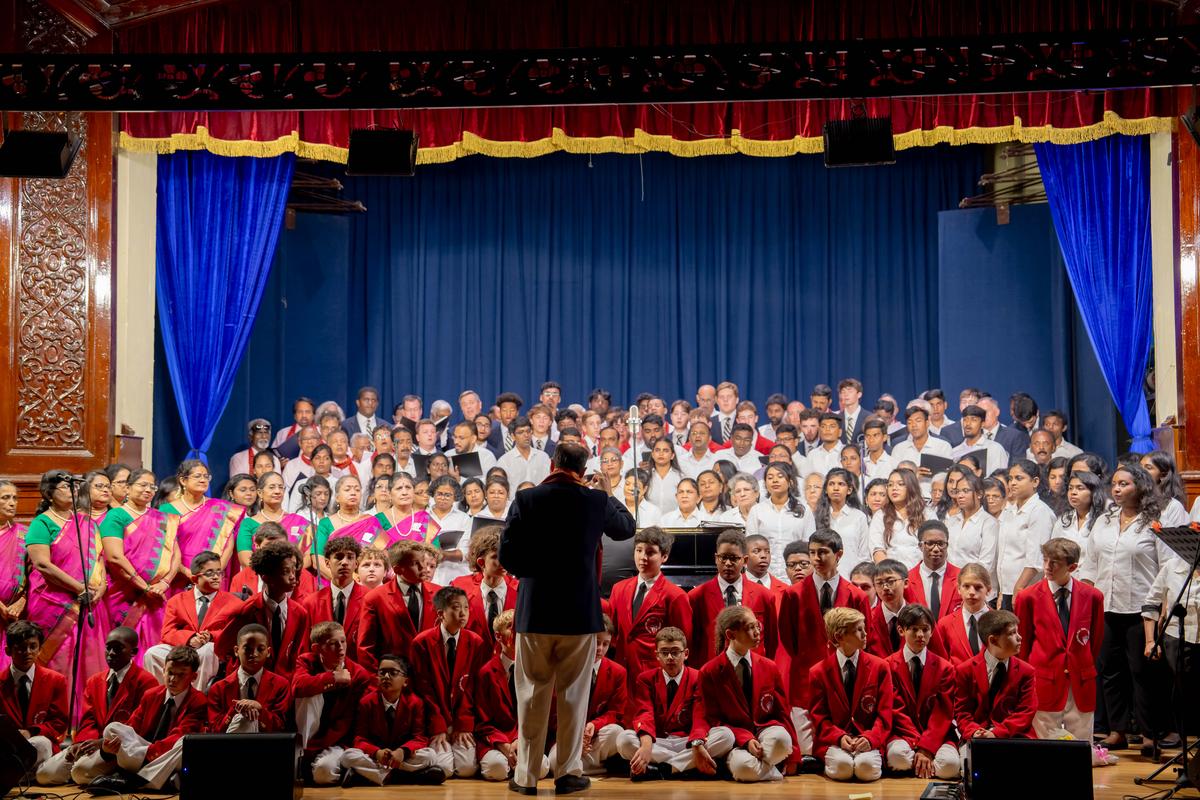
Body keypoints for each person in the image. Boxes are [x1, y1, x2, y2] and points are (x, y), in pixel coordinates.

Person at [498, 442, 635, 794]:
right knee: (574, 696)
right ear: (582, 467)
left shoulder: (527, 499)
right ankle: (568, 772)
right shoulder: (594, 500)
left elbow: (507, 555)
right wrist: (607, 492)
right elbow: (626, 529)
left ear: (555, 462)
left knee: (531, 694)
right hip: (578, 612)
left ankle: (526, 777)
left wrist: (538, 576)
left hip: (536, 611)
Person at [1083, 463, 1174, 753]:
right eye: (1115, 484)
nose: (1117, 489)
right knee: (1109, 670)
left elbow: (1167, 567)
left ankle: (1149, 733)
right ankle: (1117, 730)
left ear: (1141, 487)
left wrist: (1162, 611)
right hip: (1107, 605)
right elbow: (1090, 561)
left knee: (1143, 672)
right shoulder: (1104, 520)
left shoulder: (1154, 522)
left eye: (1125, 484)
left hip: (1140, 608)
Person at [777, 529, 870, 763]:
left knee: (842, 744)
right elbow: (788, 639)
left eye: (823, 552)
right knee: (807, 751)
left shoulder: (856, 595)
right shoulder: (793, 595)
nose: (816, 558)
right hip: (804, 679)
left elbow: (865, 640)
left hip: (843, 677)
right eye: (812, 553)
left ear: (838, 555)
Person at [25, 470, 110, 710]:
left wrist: (101, 587)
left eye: (73, 487)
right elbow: (42, 564)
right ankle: (53, 716)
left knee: (89, 660)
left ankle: (85, 718)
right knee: (59, 660)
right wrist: (78, 587)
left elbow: (99, 558)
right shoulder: (42, 523)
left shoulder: (86, 522)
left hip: (90, 603)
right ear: (49, 493)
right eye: (64, 487)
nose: (71, 490)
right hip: (54, 604)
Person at [1015, 538, 1105, 755]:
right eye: (1045, 560)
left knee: (1082, 745)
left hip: (1081, 678)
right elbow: (1023, 643)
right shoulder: (1027, 597)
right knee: (1044, 745)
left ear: (1072, 567)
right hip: (1043, 677)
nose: (1047, 567)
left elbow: (1095, 641)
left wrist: (1080, 665)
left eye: (1054, 562)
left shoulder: (1093, 596)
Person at [36, 626, 157, 786]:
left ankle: (116, 776)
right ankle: (88, 771)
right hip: (94, 743)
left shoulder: (146, 681)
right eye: (108, 647)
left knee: (80, 773)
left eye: (118, 648)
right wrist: (82, 743)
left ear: (133, 652)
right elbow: (88, 719)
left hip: (119, 749)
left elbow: (140, 726)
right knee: (43, 775)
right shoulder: (94, 681)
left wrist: (102, 743)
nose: (111, 653)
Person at [81, 645, 209, 793]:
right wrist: (112, 746)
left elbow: (178, 735)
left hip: (166, 755)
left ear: (194, 677)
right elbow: (131, 727)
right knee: (113, 728)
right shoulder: (151, 694)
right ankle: (155, 778)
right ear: (163, 670)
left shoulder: (198, 700)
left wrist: (145, 753)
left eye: (181, 675)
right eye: (170, 672)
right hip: (144, 753)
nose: (173, 679)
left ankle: (133, 781)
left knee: (184, 742)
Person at [616, 625, 734, 780]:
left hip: (688, 741)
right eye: (664, 652)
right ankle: (686, 767)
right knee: (624, 740)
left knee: (726, 736)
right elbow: (645, 713)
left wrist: (697, 745)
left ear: (685, 654)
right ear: (657, 655)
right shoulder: (645, 679)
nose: (670, 657)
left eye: (675, 652)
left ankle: (664, 769)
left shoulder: (699, 677)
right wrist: (646, 746)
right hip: (658, 740)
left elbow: (701, 715)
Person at [697, 606, 796, 782]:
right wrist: (745, 739)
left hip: (765, 732)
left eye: (757, 626)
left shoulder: (769, 667)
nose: (757, 632)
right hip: (736, 739)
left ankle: (755, 768)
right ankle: (771, 771)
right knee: (744, 769)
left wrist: (793, 754)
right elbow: (713, 719)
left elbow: (782, 713)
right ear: (730, 635)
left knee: (782, 739)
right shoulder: (710, 671)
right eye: (750, 628)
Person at [409, 586, 487, 778]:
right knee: (444, 769)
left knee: (467, 769)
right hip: (435, 717)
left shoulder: (475, 642)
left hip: (462, 716)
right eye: (456, 607)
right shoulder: (422, 642)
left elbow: (473, 688)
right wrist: (439, 726)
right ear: (441, 613)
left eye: (466, 607)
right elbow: (423, 689)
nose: (463, 613)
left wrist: (463, 724)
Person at [99, 468, 178, 653]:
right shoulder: (116, 516)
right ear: (127, 488)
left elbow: (175, 554)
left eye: (152, 486)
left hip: (157, 595)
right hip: (123, 592)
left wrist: (165, 583)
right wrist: (144, 586)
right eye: (143, 485)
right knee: (122, 648)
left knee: (156, 648)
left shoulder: (162, 518)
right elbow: (114, 557)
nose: (148, 490)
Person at [808, 606, 891, 782]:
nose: (865, 634)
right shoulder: (818, 672)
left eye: (864, 628)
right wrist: (838, 737)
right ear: (839, 637)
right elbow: (819, 717)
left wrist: (871, 738)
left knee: (866, 769)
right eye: (858, 630)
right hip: (835, 740)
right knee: (841, 769)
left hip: (868, 737)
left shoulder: (880, 667)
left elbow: (885, 714)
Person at [207, 541, 311, 680]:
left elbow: (295, 653)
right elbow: (222, 647)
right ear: (265, 576)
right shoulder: (246, 610)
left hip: (283, 684)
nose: (293, 576)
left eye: (293, 570)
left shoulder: (300, 613)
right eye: (285, 571)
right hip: (249, 682)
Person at [610, 527, 693, 697]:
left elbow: (683, 639)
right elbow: (613, 633)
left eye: (650, 552)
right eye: (639, 550)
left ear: (664, 556)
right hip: (622, 671)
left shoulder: (675, 596)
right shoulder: (619, 589)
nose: (643, 557)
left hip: (654, 675)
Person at [338, 654, 445, 786]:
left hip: (401, 756)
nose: (386, 677)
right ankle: (408, 777)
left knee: (430, 755)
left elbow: (420, 738)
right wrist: (376, 752)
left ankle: (371, 776)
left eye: (393, 673)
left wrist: (402, 751)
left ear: (405, 681)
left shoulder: (415, 703)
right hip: (377, 756)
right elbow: (359, 738)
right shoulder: (366, 702)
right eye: (382, 673)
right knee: (347, 756)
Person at [885, 604, 960, 780]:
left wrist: (927, 746)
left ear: (932, 631)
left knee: (950, 766)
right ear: (901, 630)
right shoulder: (887, 665)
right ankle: (924, 763)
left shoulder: (945, 667)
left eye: (925, 629)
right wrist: (918, 744)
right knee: (898, 757)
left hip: (937, 734)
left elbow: (943, 712)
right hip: (903, 733)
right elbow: (895, 710)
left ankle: (921, 762)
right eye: (914, 629)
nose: (920, 635)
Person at [294, 621, 373, 785]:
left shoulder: (359, 674)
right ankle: (305, 754)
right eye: (332, 644)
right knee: (309, 693)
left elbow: (360, 718)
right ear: (317, 649)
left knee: (324, 772)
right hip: (305, 737)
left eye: (343, 641)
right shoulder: (306, 661)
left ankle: (346, 769)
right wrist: (333, 678)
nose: (341, 648)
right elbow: (298, 687)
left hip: (338, 739)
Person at [952, 609, 1037, 759]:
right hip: (977, 735)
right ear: (993, 640)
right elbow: (962, 712)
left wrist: (996, 733)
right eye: (1012, 633)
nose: (1020, 637)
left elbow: (1026, 712)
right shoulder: (964, 670)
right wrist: (975, 731)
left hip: (1015, 735)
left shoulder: (1026, 671)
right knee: (969, 766)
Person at [688, 530, 778, 666]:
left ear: (745, 560)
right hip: (713, 670)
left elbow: (772, 642)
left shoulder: (764, 595)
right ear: (716, 558)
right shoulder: (697, 597)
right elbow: (692, 641)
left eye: (734, 558)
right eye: (723, 558)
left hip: (752, 668)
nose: (728, 563)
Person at [144, 551, 233, 688]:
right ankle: (163, 697)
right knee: (152, 653)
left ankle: (197, 700)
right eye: (210, 573)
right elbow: (167, 633)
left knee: (208, 650)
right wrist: (190, 639)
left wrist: (209, 636)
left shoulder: (232, 602)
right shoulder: (176, 601)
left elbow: (234, 632)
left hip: (212, 651)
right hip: (182, 648)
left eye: (219, 572)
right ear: (195, 578)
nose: (216, 577)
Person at [475, 609, 538, 783]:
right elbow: (482, 721)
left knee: (543, 767)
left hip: (522, 737)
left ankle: (516, 763)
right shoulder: (486, 673)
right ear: (498, 636)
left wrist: (519, 739)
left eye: (521, 627)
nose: (517, 631)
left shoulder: (532, 670)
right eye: (511, 627)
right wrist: (504, 744)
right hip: (495, 740)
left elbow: (535, 714)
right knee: (497, 769)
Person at [160, 460, 244, 590]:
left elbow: (228, 543)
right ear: (183, 480)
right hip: (179, 575)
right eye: (197, 476)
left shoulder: (220, 508)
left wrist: (214, 571)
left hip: (213, 577)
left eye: (206, 476)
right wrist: (187, 572)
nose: (203, 480)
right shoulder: (167, 510)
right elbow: (166, 547)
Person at [357, 541, 440, 669]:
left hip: (431, 675)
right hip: (393, 676)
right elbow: (365, 647)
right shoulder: (375, 598)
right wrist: (377, 681)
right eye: (415, 563)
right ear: (397, 569)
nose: (423, 567)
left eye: (423, 561)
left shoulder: (439, 593)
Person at [1, 621, 68, 776]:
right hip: (7, 746)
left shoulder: (56, 680)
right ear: (8, 650)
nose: (28, 652)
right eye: (21, 648)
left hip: (40, 742)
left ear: (39, 649)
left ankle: (17, 775)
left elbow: (59, 722)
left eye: (33, 646)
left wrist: (30, 733)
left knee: (40, 744)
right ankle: (27, 774)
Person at [206, 623, 291, 734]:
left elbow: (281, 727)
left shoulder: (281, 685)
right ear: (236, 651)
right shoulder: (218, 688)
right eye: (247, 649)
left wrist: (260, 710)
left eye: (260, 649)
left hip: (267, 746)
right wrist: (235, 710)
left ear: (268, 652)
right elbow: (215, 731)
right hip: (228, 746)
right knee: (243, 720)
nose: (254, 654)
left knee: (249, 721)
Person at [996, 460, 1055, 609]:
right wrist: (1002, 592)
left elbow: (1036, 558)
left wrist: (1019, 589)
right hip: (1008, 589)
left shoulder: (1040, 511)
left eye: (1019, 478)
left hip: (1028, 589)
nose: (1012, 483)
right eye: (1010, 479)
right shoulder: (1010, 510)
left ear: (1035, 482)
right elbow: (1004, 553)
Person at [301, 535, 366, 662]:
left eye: (350, 557)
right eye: (339, 557)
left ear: (356, 564)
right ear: (327, 563)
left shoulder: (370, 598)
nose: (345, 562)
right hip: (321, 671)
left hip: (360, 672)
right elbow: (305, 647)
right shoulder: (311, 602)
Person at [451, 527, 518, 647]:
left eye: (506, 554)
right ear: (481, 562)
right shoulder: (459, 588)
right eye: (495, 557)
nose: (502, 560)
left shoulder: (519, 589)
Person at [747, 462, 815, 579]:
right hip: (764, 575)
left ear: (790, 481)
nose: (774, 480)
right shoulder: (757, 511)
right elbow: (751, 546)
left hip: (796, 575)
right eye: (770, 477)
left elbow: (809, 545)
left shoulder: (804, 509)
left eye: (780, 476)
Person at [814, 468, 870, 578]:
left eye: (841, 484)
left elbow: (864, 555)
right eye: (831, 484)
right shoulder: (816, 516)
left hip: (851, 579)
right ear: (825, 489)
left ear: (849, 490)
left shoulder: (859, 517)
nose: (835, 488)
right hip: (823, 578)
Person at [869, 468, 929, 569]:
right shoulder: (880, 515)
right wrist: (890, 574)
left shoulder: (927, 513)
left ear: (911, 487)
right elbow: (877, 550)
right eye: (890, 484)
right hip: (891, 574)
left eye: (900, 484)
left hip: (921, 573)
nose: (894, 488)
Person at [890, 401, 953, 497]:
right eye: (909, 422)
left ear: (927, 423)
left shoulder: (942, 446)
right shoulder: (899, 449)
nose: (914, 425)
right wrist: (913, 477)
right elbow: (893, 478)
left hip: (936, 498)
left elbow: (949, 476)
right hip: (907, 497)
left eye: (918, 421)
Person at [945, 471, 999, 583]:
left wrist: (965, 583)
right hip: (950, 585)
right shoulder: (951, 521)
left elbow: (986, 564)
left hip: (974, 586)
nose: (959, 496)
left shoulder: (989, 523)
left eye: (965, 491)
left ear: (979, 494)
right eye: (957, 491)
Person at [935, 563, 993, 665]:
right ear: (958, 589)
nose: (971, 592)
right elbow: (940, 662)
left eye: (978, 587)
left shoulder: (1000, 623)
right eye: (966, 586)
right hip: (957, 679)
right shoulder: (945, 624)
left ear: (988, 590)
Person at [905, 520, 961, 622]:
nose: (936, 549)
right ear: (920, 546)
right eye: (930, 543)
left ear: (947, 545)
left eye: (941, 543)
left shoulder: (962, 578)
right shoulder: (907, 580)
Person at [865, 559, 909, 658]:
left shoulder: (921, 617)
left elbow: (937, 659)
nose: (885, 587)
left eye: (890, 581)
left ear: (905, 583)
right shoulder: (867, 620)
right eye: (879, 583)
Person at [496, 416, 552, 488]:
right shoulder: (504, 461)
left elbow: (549, 483)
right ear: (513, 436)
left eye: (528, 431)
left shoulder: (543, 457)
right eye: (521, 432)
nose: (526, 435)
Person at [952, 405, 1010, 472]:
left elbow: (1001, 477)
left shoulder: (995, 449)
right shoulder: (954, 452)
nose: (968, 423)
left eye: (974, 420)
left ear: (982, 424)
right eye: (965, 420)